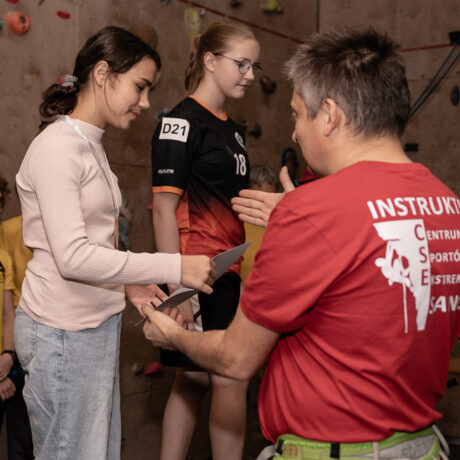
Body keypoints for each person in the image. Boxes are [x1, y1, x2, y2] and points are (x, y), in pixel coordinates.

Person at [143, 27, 460, 460]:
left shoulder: (314, 212)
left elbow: (236, 359)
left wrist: (172, 335)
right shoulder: (447, 204)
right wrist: (306, 215)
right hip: (420, 446)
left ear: (328, 115)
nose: (294, 133)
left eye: (296, 115)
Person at [14, 26, 215, 460]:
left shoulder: (90, 144)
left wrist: (129, 285)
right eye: (140, 87)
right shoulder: (58, 148)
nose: (146, 102)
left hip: (92, 329)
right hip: (62, 333)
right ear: (103, 74)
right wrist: (173, 267)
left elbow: (92, 243)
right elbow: (72, 258)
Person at [151, 21, 260, 460]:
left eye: (254, 67)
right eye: (242, 64)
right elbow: (163, 209)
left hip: (226, 269)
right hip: (195, 271)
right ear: (211, 61)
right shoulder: (179, 122)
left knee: (194, 377)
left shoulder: (233, 130)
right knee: (229, 376)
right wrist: (175, 287)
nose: (249, 75)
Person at [0, 177, 34, 460]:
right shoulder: (8, 232)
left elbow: (6, 309)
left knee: (26, 443)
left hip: (17, 356)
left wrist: (7, 357)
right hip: (15, 358)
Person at [240, 164, 277, 284]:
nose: (264, 204)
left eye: (270, 198)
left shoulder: (278, 227)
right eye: (259, 197)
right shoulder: (235, 225)